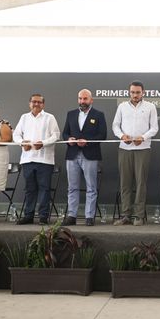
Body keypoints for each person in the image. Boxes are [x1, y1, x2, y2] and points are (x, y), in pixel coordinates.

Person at [112, 81, 158, 226]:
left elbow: (154, 128)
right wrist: (122, 136)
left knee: (140, 183)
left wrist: (143, 137)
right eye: (132, 92)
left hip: (142, 149)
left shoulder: (150, 107)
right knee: (125, 183)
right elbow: (115, 125)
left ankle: (138, 216)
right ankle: (126, 215)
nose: (135, 95)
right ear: (129, 92)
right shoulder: (122, 107)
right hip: (124, 149)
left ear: (143, 92)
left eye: (138, 92)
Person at [13, 93, 60, 225]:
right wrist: (23, 142)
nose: (36, 104)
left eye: (39, 102)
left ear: (43, 104)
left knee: (45, 189)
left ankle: (43, 217)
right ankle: (28, 215)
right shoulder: (24, 117)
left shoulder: (49, 117)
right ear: (30, 103)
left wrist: (43, 143)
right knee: (30, 189)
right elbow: (16, 135)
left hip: (45, 160)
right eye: (34, 101)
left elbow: (56, 135)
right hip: (27, 159)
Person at [62, 89, 107, 226]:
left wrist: (87, 141)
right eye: (80, 98)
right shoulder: (71, 114)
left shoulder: (98, 115)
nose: (82, 101)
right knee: (72, 187)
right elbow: (64, 133)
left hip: (90, 155)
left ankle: (89, 216)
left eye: (85, 99)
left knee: (91, 187)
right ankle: (71, 216)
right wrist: (68, 139)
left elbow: (102, 135)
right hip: (72, 154)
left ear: (91, 100)